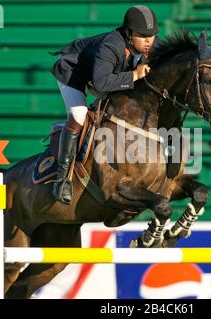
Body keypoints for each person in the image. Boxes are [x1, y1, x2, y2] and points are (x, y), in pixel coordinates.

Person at [50, 5, 160, 204]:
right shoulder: (111, 46)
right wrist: (135, 74)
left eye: (152, 35)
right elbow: (101, 83)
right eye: (143, 35)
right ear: (128, 33)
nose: (149, 41)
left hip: (104, 76)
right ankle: (62, 179)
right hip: (74, 73)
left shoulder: (150, 46)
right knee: (80, 114)